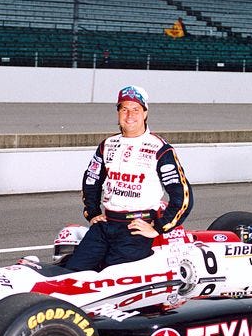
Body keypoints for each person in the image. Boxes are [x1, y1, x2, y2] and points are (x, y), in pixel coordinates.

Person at [66, 85, 193, 272]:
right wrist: (92, 213)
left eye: (136, 109)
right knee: (72, 275)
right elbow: (91, 180)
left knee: (113, 284)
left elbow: (182, 196)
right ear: (118, 113)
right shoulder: (108, 145)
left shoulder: (160, 148)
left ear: (145, 113)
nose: (129, 115)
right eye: (124, 109)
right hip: (105, 225)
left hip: (136, 229)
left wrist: (158, 228)